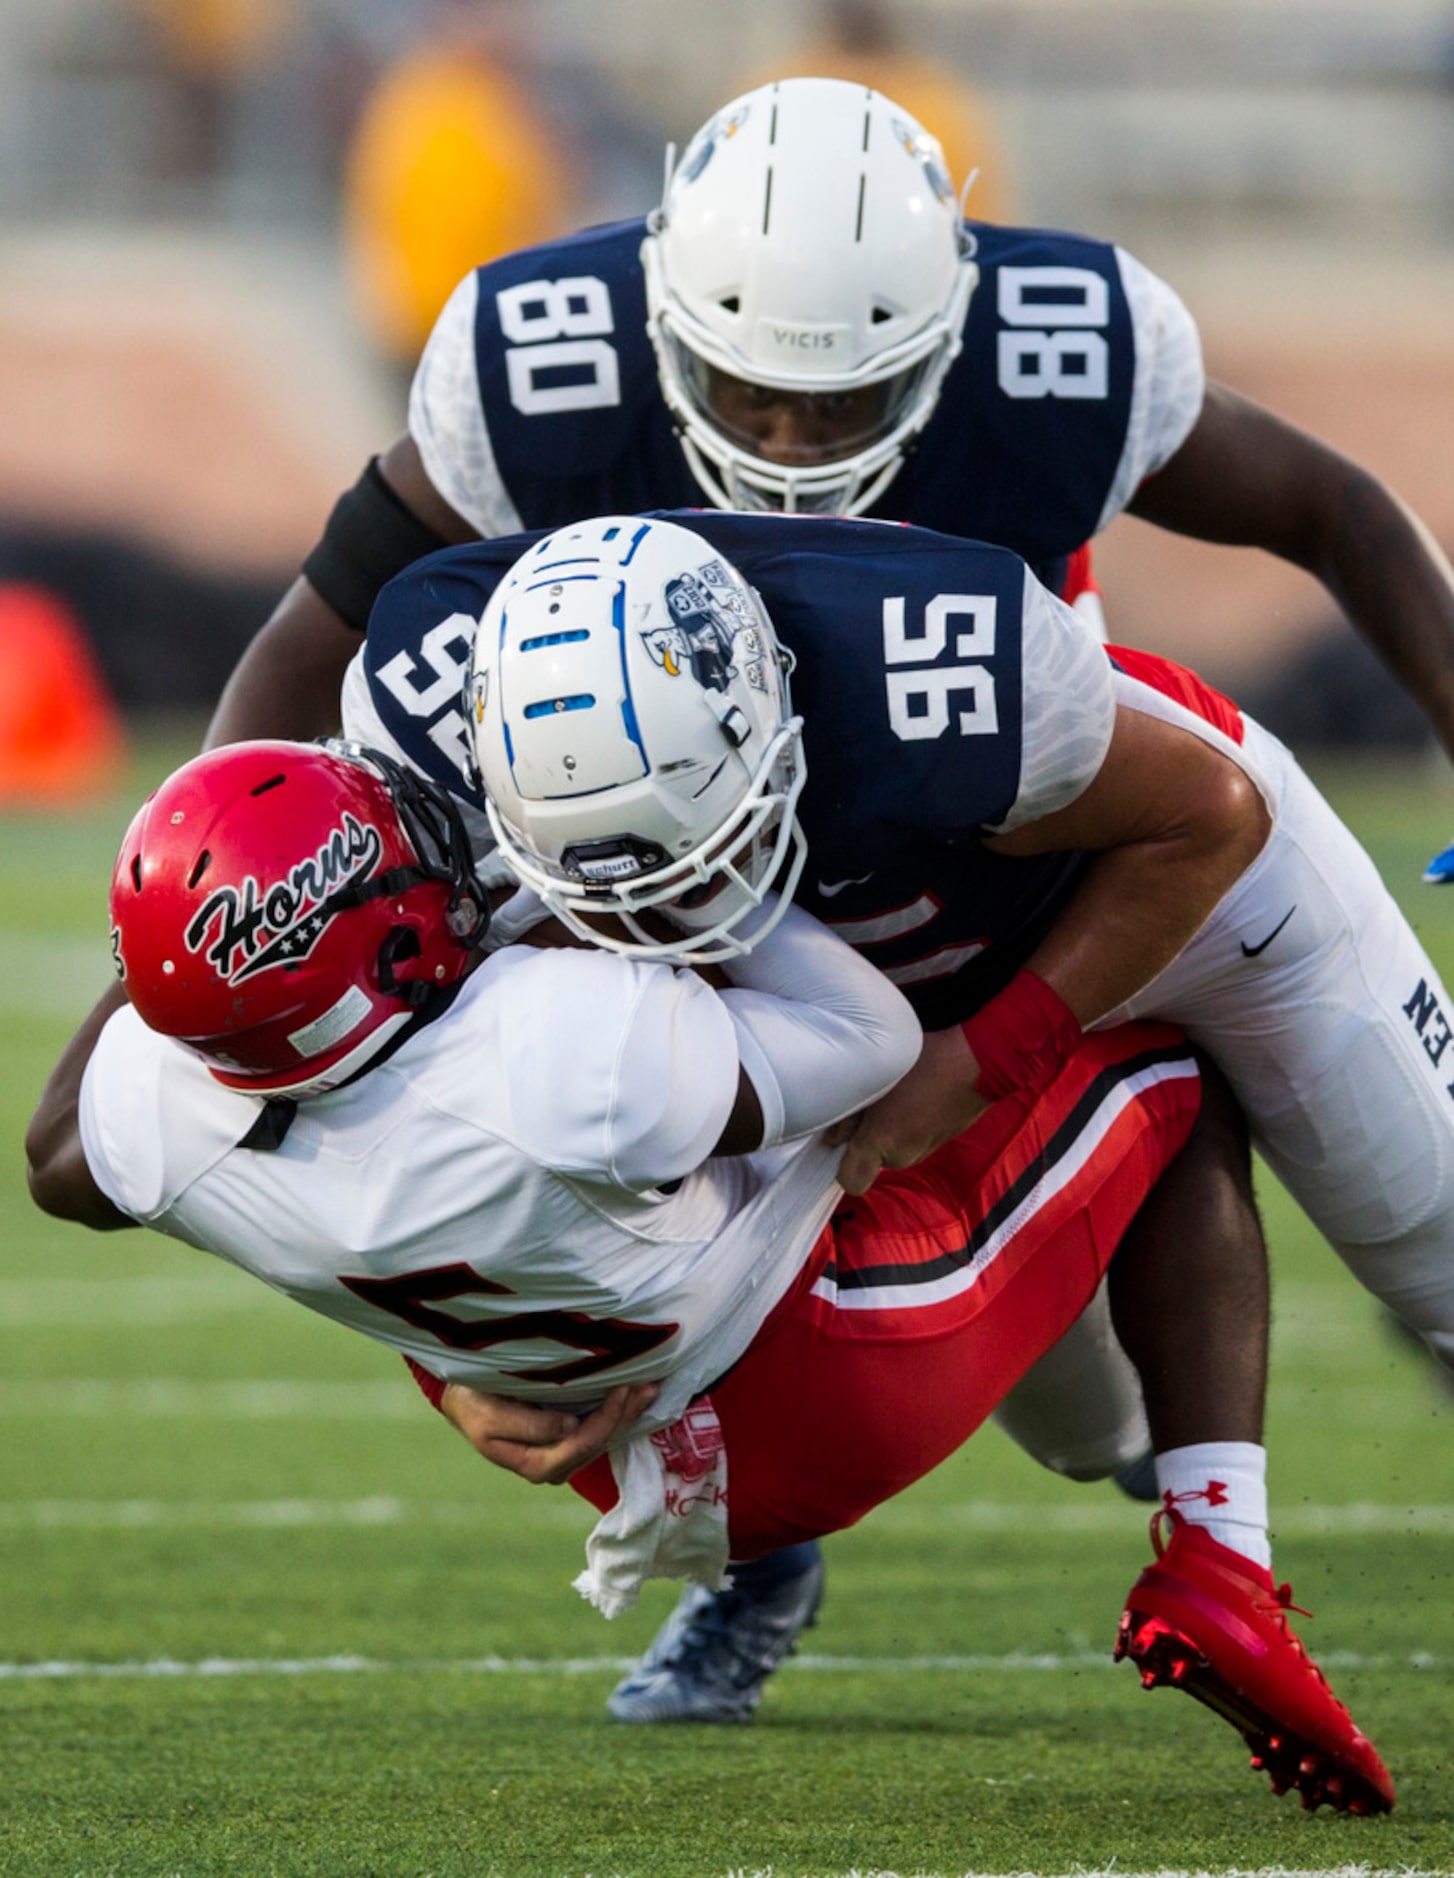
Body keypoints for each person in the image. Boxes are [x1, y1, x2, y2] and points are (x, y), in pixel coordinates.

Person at [194, 74, 1454, 1717]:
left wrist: (980, 1053)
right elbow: (307, 647)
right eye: (746, 393)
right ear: (659, 328)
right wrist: (218, 888)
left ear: (938, 344)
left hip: (1100, 834)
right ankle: (773, 1544)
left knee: (1423, 1227)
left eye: (838, 406)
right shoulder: (539, 376)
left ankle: (1223, 1526)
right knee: (1059, 1409)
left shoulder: (1051, 368)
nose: (787, 453)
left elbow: (1290, 594)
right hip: (796, 901)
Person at [25, 730, 1394, 1816]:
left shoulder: (157, 1128)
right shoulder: (552, 1058)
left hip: (612, 1433)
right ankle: (1215, 1536)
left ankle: (773, 1572)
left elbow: (57, 1152)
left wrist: (192, 946)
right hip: (829, 1364)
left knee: (685, 1194)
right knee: (1161, 1048)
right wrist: (687, 864)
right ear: (374, 953)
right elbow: (860, 1041)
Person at [341, 510, 1454, 1722]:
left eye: (684, 867)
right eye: (607, 894)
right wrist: (460, 1361)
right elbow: (418, 1118)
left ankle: (1221, 1557)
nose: (652, 930)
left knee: (1437, 1257)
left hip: (1179, 886)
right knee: (1083, 1433)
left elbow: (1208, 816)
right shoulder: (421, 754)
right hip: (896, 990)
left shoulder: (934, 684)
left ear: (760, 720)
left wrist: (987, 1056)